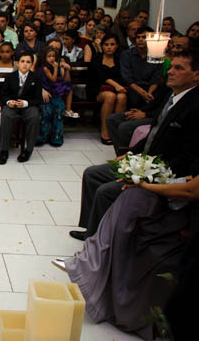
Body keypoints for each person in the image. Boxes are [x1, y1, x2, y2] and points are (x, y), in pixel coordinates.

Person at [62, 159, 199, 341]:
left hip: (192, 221)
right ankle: (96, 258)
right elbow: (191, 180)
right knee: (131, 198)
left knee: (133, 200)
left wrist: (145, 184)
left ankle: (96, 261)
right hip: (183, 206)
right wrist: (153, 181)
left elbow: (191, 191)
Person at [72, 50, 199, 241]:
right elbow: (153, 134)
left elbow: (187, 157)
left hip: (162, 171)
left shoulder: (195, 106)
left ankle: (102, 239)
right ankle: (91, 228)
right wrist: (131, 154)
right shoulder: (170, 96)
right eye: (171, 66)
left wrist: (146, 173)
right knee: (92, 174)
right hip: (143, 159)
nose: (170, 71)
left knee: (105, 191)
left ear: (196, 75)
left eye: (178, 68)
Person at [0, 51, 42, 164]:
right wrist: (8, 102)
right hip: (13, 105)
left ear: (31, 64)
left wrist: (26, 103)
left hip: (28, 105)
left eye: (28, 62)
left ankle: (28, 150)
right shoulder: (10, 76)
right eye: (22, 61)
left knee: (34, 116)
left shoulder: (36, 78)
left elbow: (38, 98)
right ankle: (4, 150)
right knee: (6, 115)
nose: (25, 64)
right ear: (17, 63)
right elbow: (3, 94)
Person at [86, 35, 127, 144]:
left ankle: (115, 130)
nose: (109, 47)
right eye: (106, 45)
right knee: (110, 96)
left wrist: (118, 87)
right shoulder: (97, 58)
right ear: (102, 46)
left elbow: (123, 76)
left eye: (112, 44)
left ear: (117, 46)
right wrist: (116, 85)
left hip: (117, 90)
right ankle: (105, 131)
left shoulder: (119, 59)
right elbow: (100, 76)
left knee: (122, 97)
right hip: (96, 90)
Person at [36, 45, 72, 147]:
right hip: (45, 92)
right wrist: (56, 68)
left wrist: (63, 68)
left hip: (56, 92)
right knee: (46, 112)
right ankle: (42, 136)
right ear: (44, 57)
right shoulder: (44, 68)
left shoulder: (58, 65)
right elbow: (53, 79)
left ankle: (57, 137)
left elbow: (65, 79)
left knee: (59, 110)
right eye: (49, 56)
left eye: (53, 56)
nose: (52, 58)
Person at [121, 27, 163, 108]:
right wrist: (142, 93)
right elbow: (127, 78)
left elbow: (156, 79)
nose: (140, 39)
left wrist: (149, 93)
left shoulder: (157, 55)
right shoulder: (127, 54)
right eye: (138, 37)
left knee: (158, 97)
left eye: (144, 37)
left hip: (151, 88)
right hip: (133, 87)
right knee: (134, 98)